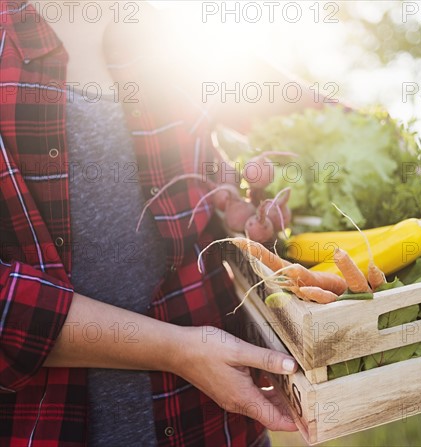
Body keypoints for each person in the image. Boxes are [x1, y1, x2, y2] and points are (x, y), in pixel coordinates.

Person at [0, 1, 329, 445]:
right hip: (53, 427)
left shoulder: (170, 32)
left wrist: (228, 203)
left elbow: (317, 115)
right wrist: (175, 350)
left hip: (217, 427)